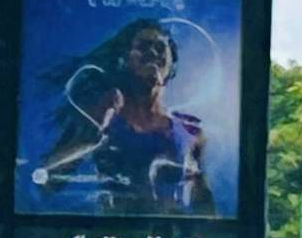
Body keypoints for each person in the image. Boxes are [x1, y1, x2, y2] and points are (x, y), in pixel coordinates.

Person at [31, 18, 212, 215]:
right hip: (117, 231)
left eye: (160, 48)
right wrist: (95, 130)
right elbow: (46, 181)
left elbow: (202, 198)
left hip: (170, 234)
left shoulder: (190, 130)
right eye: (143, 47)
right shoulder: (100, 116)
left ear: (171, 63)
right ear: (124, 59)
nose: (152, 53)